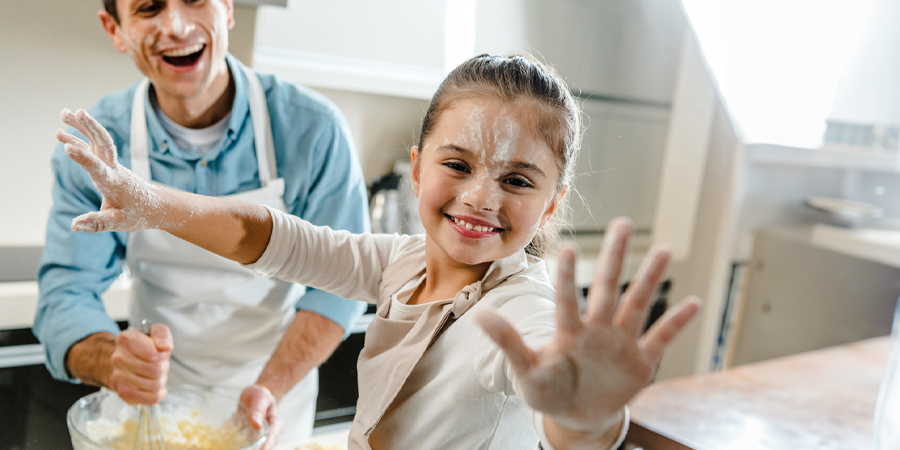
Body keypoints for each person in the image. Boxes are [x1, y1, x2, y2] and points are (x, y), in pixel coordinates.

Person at [55, 54, 701, 449]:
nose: (480, 197)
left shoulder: (516, 307)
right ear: (417, 169)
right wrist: (152, 204)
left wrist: (583, 415)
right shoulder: (402, 261)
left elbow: (563, 408)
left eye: (516, 180)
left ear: (552, 203)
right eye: (459, 164)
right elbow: (270, 237)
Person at [33, 0, 368, 447]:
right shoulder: (96, 149)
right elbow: (66, 294)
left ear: (227, 8)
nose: (175, 25)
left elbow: (339, 285)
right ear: (114, 29)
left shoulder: (312, 130)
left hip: (273, 402)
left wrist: (269, 386)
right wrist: (115, 360)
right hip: (151, 409)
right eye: (149, 7)